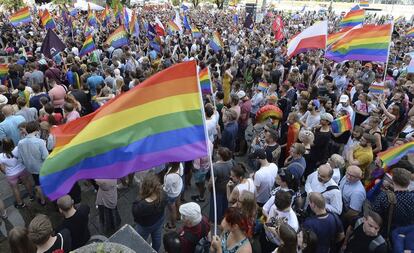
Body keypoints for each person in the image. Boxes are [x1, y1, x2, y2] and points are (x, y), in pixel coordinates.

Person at [371, 167, 414, 236]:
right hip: (408, 235)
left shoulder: (384, 197)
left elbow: (374, 216)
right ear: (408, 183)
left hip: (388, 234)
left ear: (392, 180)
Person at [132, 173, 168, 252]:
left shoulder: (141, 205)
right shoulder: (163, 195)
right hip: (159, 220)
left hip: (145, 226)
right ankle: (154, 250)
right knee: (157, 238)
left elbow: (136, 216)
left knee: (141, 240)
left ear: (144, 188)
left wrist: (141, 195)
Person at [17, 121, 48, 206]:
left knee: (37, 183)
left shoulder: (20, 142)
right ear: (37, 130)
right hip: (41, 167)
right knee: (41, 183)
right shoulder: (40, 142)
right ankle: (45, 198)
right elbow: (45, 157)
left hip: (30, 168)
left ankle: (42, 200)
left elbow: (20, 158)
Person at [0, 137, 33, 208]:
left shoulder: (1, 156)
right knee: (26, 182)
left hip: (11, 174)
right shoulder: (18, 148)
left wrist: (8, 173)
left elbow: (2, 169)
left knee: (15, 189)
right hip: (22, 169)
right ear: (12, 143)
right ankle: (31, 196)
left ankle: (20, 203)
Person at [209, 147, 234, 224]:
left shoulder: (215, 167)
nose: (216, 153)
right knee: (225, 202)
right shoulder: (231, 162)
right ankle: (223, 216)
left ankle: (215, 219)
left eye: (217, 153)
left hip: (218, 188)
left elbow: (211, 181)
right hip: (227, 186)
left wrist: (209, 188)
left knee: (216, 204)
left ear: (220, 156)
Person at [163, 162, 183, 230]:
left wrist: (162, 187)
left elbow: (167, 189)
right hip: (178, 189)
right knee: (178, 202)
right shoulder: (180, 165)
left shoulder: (170, 176)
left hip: (171, 194)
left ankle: (172, 225)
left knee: (172, 210)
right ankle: (179, 217)